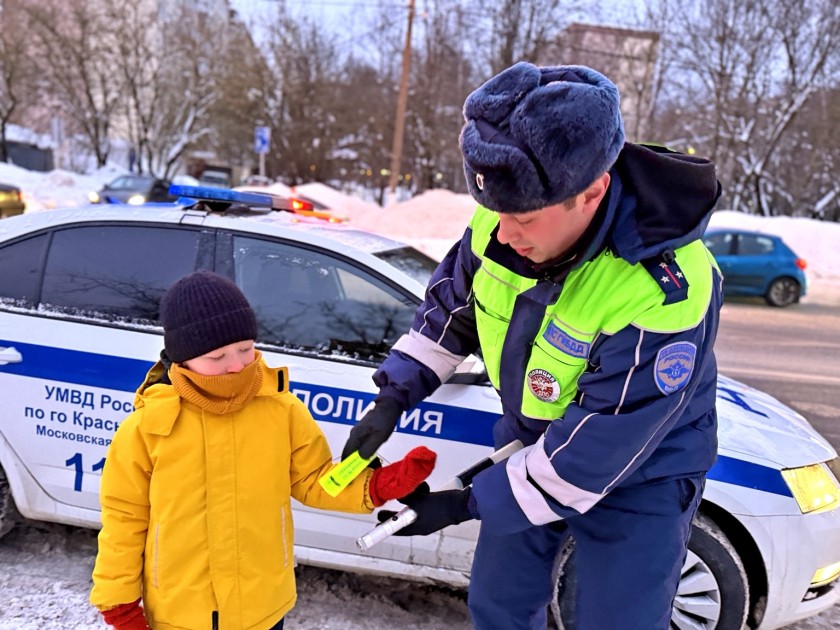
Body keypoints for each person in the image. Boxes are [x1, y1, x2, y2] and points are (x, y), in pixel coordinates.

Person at [342, 62, 723, 629]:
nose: (502, 233)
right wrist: (393, 397)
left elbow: (599, 445)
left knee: (616, 621)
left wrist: (465, 503)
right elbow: (451, 314)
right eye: (496, 212)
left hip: (639, 473)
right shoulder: (502, 221)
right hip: (528, 444)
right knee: (498, 606)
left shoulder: (663, 289)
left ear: (591, 192)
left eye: (521, 217)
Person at [90, 270, 436, 630]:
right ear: (183, 357)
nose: (237, 365)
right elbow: (124, 520)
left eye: (245, 349)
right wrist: (119, 601)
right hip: (180, 614)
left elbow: (313, 480)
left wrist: (376, 484)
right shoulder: (148, 428)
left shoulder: (281, 409)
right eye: (218, 356)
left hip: (263, 608)